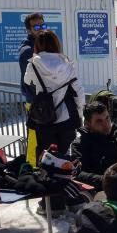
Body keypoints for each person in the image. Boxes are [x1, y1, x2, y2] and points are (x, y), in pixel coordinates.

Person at [23, 30, 82, 160]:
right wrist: (80, 113)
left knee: (46, 157)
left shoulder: (32, 65)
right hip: (66, 118)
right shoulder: (67, 64)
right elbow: (78, 91)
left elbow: (27, 81)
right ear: (56, 44)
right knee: (67, 157)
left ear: (37, 45)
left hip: (43, 117)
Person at [70, 101, 117, 192]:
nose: (106, 124)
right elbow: (78, 174)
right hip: (103, 192)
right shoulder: (80, 144)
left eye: (107, 118)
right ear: (88, 124)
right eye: (99, 121)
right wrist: (109, 180)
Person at [18, 12, 45, 104]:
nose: (41, 29)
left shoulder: (44, 45)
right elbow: (31, 82)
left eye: (43, 26)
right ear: (29, 30)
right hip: (38, 104)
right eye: (37, 27)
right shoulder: (28, 51)